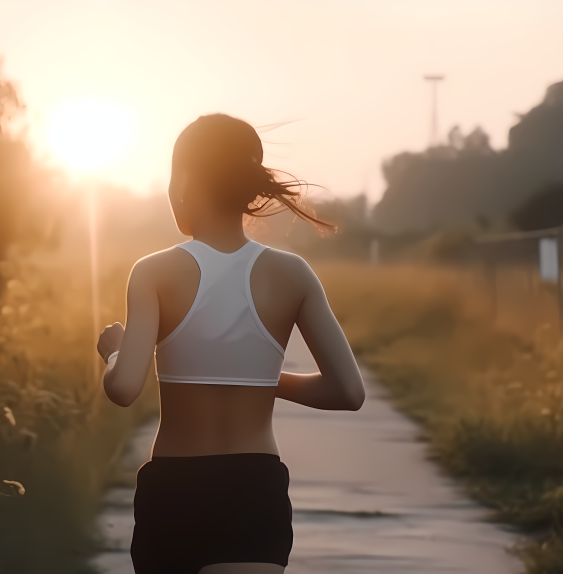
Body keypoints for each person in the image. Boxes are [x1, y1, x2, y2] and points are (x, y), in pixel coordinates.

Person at [95, 113, 366, 574]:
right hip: (252, 489)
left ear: (182, 181)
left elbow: (123, 389)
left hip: (175, 492)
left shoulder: (154, 272)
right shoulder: (293, 274)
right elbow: (347, 392)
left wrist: (115, 350)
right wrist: (263, 379)